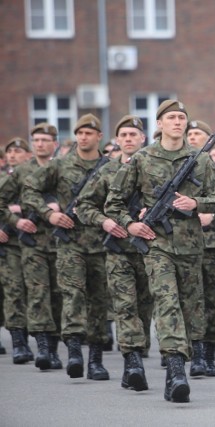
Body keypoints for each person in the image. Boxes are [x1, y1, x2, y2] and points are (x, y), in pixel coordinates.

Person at [105, 101, 215, 403]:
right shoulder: (142, 159)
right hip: (157, 245)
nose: (177, 122)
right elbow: (114, 203)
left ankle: (181, 361)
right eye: (171, 117)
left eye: (181, 117)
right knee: (167, 302)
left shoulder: (200, 160)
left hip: (191, 247)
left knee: (189, 309)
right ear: (159, 124)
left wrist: (196, 204)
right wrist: (130, 226)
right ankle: (175, 373)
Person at [23, 114, 112, 381]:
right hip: (70, 243)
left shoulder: (110, 168)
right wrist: (48, 214)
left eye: (88, 133)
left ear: (99, 137)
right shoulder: (60, 165)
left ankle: (95, 359)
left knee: (99, 302)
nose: (83, 137)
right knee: (72, 296)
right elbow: (29, 190)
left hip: (101, 244)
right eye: (79, 133)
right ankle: (74, 352)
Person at [75, 115, 153, 391]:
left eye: (134, 134)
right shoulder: (106, 172)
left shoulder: (153, 168)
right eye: (124, 135)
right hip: (118, 251)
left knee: (145, 308)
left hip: (150, 251)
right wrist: (105, 221)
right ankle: (133, 363)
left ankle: (135, 355)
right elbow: (83, 206)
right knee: (124, 306)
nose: (129, 139)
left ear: (143, 138)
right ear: (117, 140)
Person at [0, 124, 63, 370]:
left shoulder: (63, 169)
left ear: (55, 144)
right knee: (36, 294)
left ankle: (55, 348)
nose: (39, 144)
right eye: (36, 140)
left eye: (45, 140)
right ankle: (42, 348)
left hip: (60, 243)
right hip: (31, 244)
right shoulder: (22, 172)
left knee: (58, 296)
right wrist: (16, 221)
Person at [184, 119, 215, 377]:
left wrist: (214, 217)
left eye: (198, 134)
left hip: (213, 244)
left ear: (209, 139)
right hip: (185, 242)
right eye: (190, 134)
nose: (192, 138)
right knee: (190, 298)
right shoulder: (177, 165)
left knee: (212, 300)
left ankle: (209, 354)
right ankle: (194, 352)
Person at [0, 137, 34, 364]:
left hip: (33, 241)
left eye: (18, 151)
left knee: (35, 291)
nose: (13, 154)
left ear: (28, 155)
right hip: (8, 242)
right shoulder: (3, 180)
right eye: (10, 151)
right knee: (12, 291)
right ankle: (19, 341)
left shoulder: (34, 178)